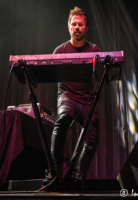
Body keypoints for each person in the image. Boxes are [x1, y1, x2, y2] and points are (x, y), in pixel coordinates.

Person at [50, 6, 101, 184]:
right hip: (67, 96)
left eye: (80, 25)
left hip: (87, 99)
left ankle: (80, 174)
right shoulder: (59, 51)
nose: (77, 27)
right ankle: (55, 168)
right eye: (74, 24)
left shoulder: (95, 49)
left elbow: (103, 74)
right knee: (63, 118)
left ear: (86, 28)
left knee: (93, 140)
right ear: (69, 27)